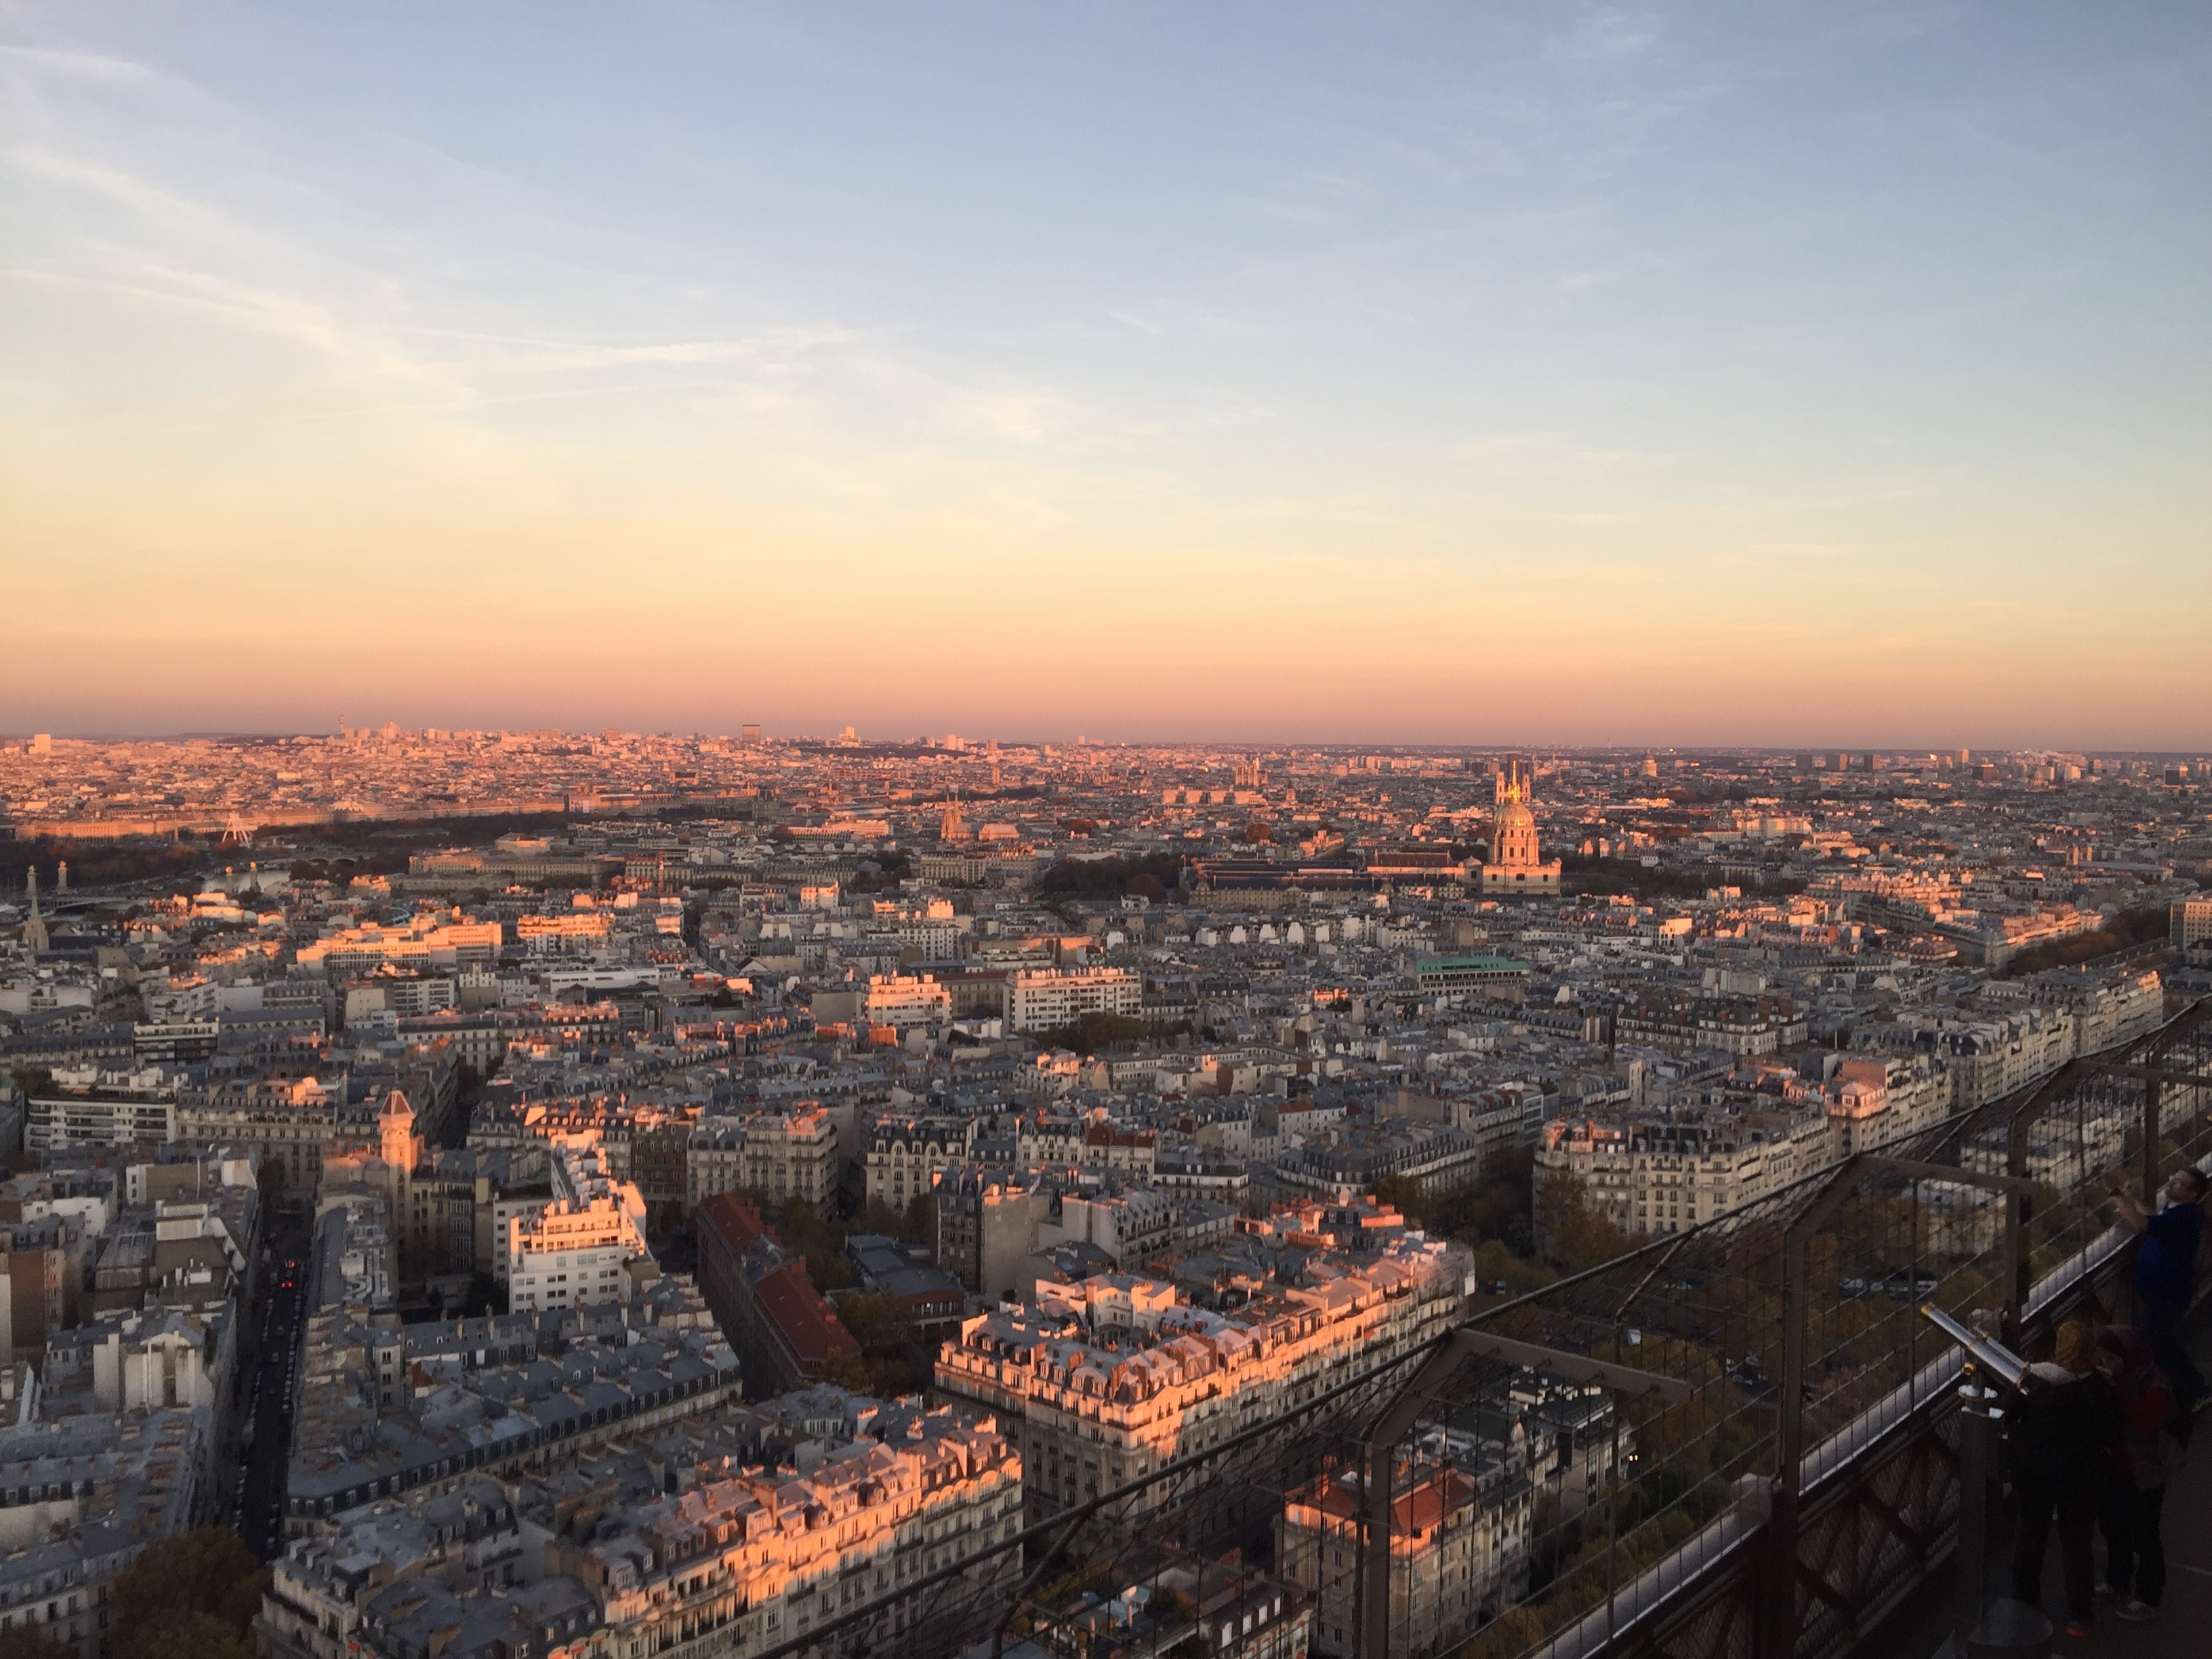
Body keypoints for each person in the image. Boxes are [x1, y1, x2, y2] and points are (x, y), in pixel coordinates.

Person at [2009, 1320, 2122, 1638]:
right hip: (2079, 1476)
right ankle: (2079, 1616)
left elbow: (2008, 1410)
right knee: (2077, 1543)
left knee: (2031, 1533)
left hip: (2032, 1471)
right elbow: (2112, 1434)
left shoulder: (2035, 1380)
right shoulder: (2097, 1390)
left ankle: (2024, 1601)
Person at [2108, 1166, 2208, 1431]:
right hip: (2162, 1291)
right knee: (2160, 1343)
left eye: (2179, 1182)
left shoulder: (2184, 1218)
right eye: (2174, 1177)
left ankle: (2196, 1390)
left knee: (2162, 1346)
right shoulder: (2176, 1209)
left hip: (2165, 1294)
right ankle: (2178, 1394)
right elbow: (2152, 1219)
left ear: (2193, 1194)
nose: (2172, 1181)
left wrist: (2115, 1195)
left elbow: (2143, 1224)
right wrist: (2133, 1198)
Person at [2095, 1326, 2176, 1622]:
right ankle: (2117, 1581)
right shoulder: (2121, 1379)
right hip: (2117, 1469)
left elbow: (2143, 1422)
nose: (2105, 1364)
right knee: (2114, 1527)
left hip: (2145, 1473)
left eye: (2110, 1357)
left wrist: (2115, 1391)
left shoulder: (2155, 1385)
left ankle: (2148, 1595)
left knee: (2145, 1534)